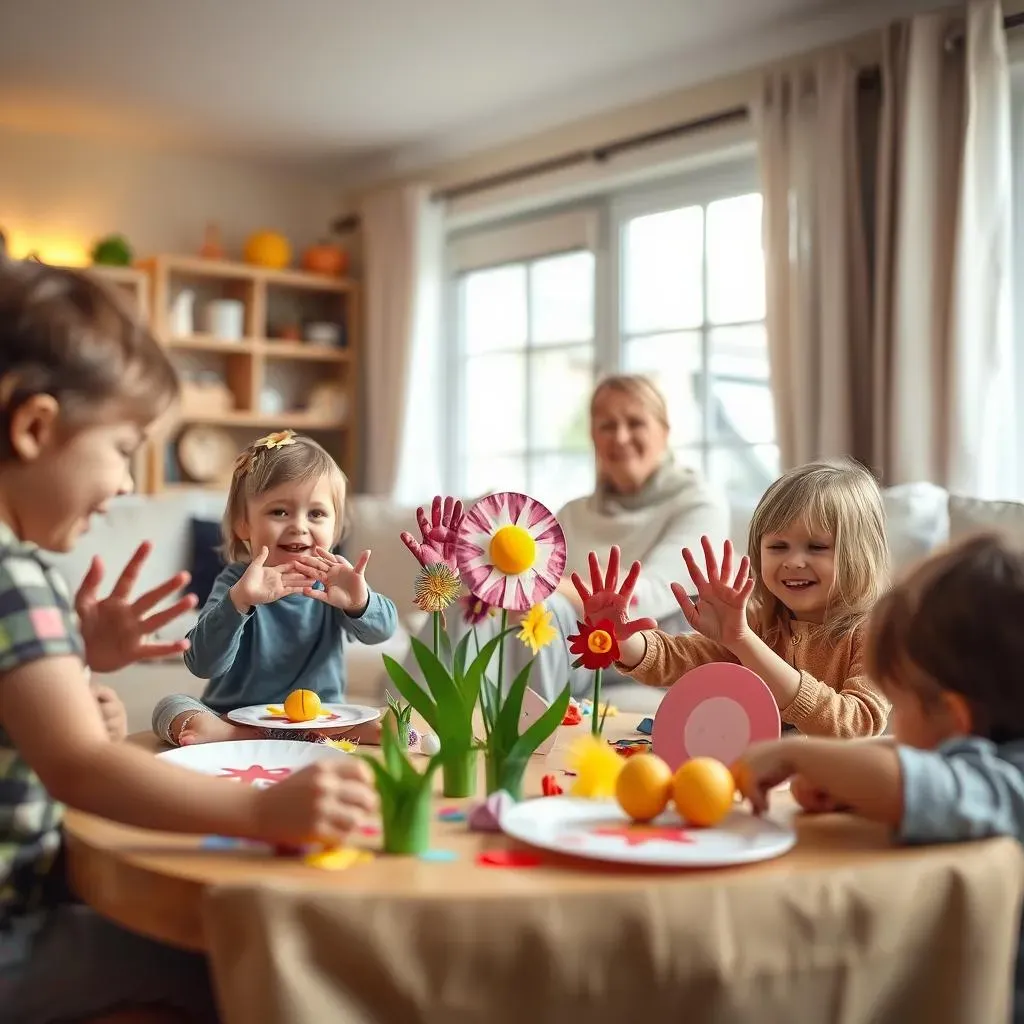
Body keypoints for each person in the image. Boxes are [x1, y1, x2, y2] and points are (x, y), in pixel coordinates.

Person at [0, 260, 378, 1023]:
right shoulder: (15, 574)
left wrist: (79, 669)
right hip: (16, 932)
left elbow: (49, 734)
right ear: (35, 427)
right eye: (122, 447)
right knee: (243, 961)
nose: (126, 487)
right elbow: (80, 765)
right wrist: (263, 817)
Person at [733, 532, 1024, 1022]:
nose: (896, 723)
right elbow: (922, 761)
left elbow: (922, 782)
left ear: (954, 716)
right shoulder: (997, 752)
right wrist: (844, 774)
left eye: (901, 705)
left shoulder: (1011, 784)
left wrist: (797, 754)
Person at [396, 374, 730, 705]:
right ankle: (404, 722)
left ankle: (525, 742)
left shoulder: (700, 504)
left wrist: (534, 586)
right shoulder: (573, 512)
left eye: (635, 422)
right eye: (607, 426)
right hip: (565, 640)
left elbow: (642, 598)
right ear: (593, 436)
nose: (621, 436)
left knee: (540, 607)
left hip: (633, 650)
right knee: (472, 597)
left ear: (665, 431)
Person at [578, 458, 891, 736]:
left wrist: (744, 642)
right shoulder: (758, 619)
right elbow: (684, 659)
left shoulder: (878, 634)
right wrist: (622, 641)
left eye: (817, 547)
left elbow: (856, 725)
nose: (794, 561)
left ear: (860, 554)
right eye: (778, 547)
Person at [152, 431, 398, 747]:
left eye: (316, 514)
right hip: (233, 714)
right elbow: (202, 664)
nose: (299, 525)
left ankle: (306, 733)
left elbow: (382, 632)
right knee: (170, 707)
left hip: (320, 716)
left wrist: (360, 602)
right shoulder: (234, 583)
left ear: (334, 529)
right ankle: (241, 734)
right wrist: (238, 603)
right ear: (244, 524)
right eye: (280, 511)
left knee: (382, 713)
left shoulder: (335, 582)